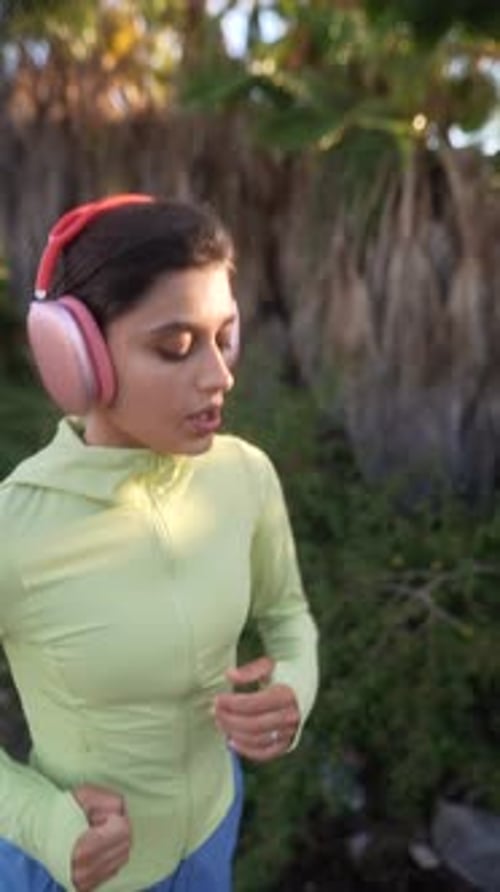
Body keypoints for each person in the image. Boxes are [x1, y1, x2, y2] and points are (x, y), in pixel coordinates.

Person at [0, 193, 318, 892]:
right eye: (176, 346)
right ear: (74, 356)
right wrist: (38, 819)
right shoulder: (12, 530)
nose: (219, 376)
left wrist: (294, 689)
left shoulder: (245, 476)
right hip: (75, 870)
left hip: (213, 831)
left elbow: (289, 619)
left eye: (224, 336)